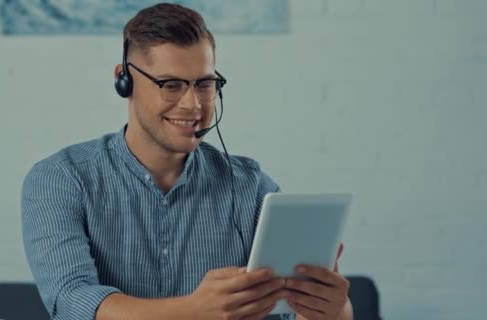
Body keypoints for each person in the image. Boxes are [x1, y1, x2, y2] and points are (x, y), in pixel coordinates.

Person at [21, 3, 353, 320]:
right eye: (171, 85)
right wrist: (191, 313)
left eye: (205, 84)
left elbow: (294, 315)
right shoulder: (62, 178)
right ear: (125, 79)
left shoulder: (251, 187)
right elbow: (71, 303)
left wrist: (332, 310)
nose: (193, 105)